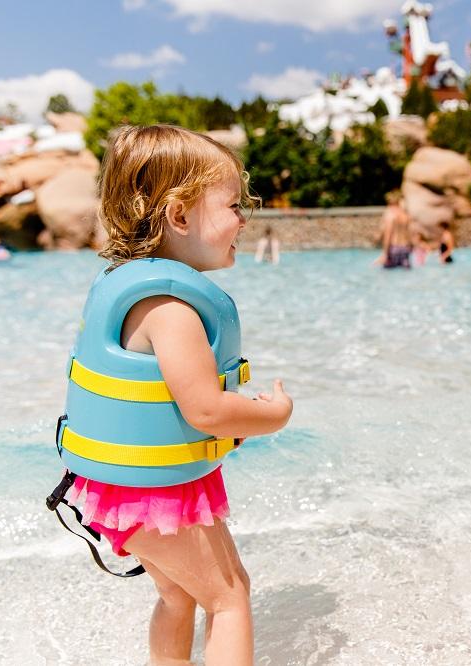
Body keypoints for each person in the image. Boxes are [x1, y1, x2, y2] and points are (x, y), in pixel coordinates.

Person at [45, 124, 293, 665]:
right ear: (179, 215)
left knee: (178, 594)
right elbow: (204, 409)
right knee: (230, 599)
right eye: (232, 204)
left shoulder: (138, 289)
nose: (243, 220)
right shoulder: (172, 310)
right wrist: (272, 415)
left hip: (127, 487)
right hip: (153, 493)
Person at [376, 190, 412, 269]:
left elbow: (388, 234)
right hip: (405, 249)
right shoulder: (405, 215)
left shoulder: (389, 213)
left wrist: (385, 254)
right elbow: (410, 234)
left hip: (393, 249)